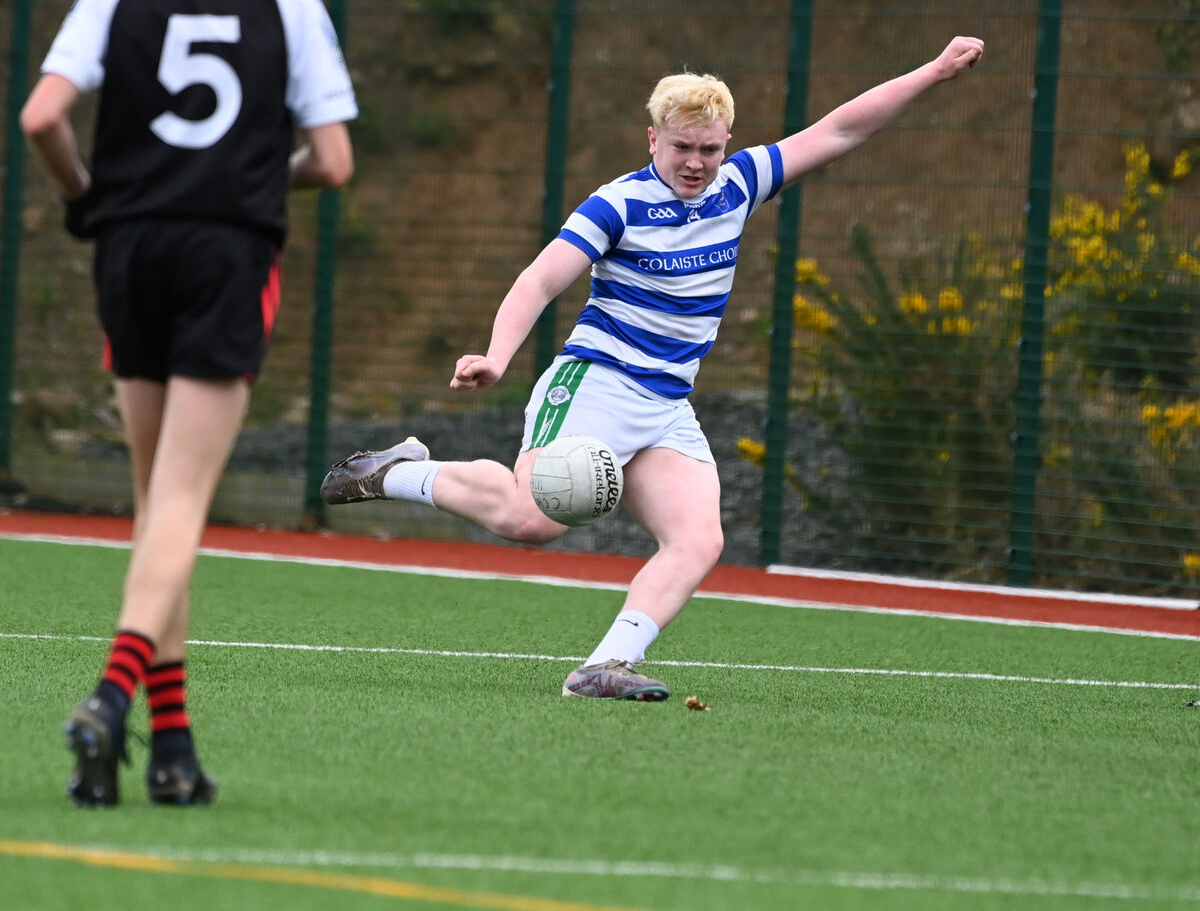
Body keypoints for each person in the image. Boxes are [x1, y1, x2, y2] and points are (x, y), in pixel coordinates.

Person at [322, 35, 984, 700]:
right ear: (652, 139)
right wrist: (497, 356)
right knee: (533, 520)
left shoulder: (742, 183)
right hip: (597, 380)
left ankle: (603, 666)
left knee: (698, 539)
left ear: (726, 143)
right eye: (682, 148)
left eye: (710, 149)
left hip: (665, 404)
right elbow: (539, 280)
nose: (696, 163)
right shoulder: (618, 204)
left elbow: (840, 129)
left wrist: (933, 71)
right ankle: (395, 472)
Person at [20, 0, 357, 806]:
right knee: (181, 501)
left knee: (156, 503)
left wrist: (90, 193)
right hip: (223, 252)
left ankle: (172, 751)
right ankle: (112, 696)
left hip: (126, 249)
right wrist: (257, 176)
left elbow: (43, 113)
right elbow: (334, 161)